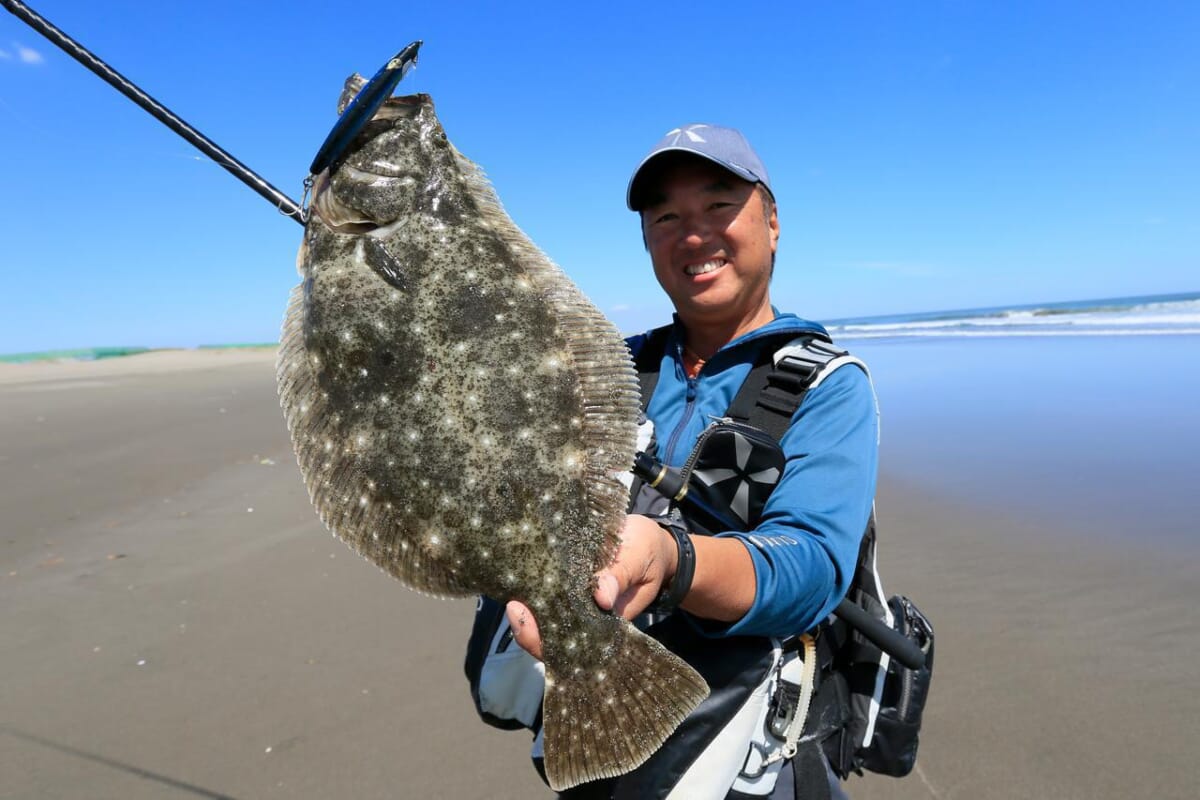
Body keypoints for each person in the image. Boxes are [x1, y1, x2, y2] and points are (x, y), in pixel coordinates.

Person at [467, 124, 879, 799]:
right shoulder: (607, 366)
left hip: (743, 749)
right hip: (589, 701)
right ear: (647, 241)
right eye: (666, 217)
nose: (694, 234)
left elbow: (812, 566)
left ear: (771, 223)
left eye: (719, 207)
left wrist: (672, 559)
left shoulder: (830, 385)